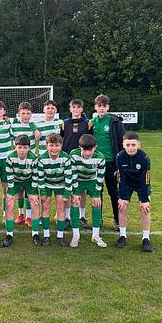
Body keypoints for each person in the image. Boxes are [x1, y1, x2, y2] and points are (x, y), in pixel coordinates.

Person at [88, 94, 125, 232]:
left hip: (111, 163)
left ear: (108, 107)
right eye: (99, 106)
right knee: (97, 192)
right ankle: (98, 219)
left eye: (104, 106)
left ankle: (117, 220)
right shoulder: (91, 122)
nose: (101, 108)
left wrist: (120, 164)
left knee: (113, 192)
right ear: (95, 107)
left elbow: (122, 144)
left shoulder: (115, 122)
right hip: (95, 163)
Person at [115, 131, 153, 252]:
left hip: (141, 184)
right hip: (127, 183)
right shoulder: (120, 157)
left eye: (133, 145)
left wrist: (144, 200)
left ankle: (146, 238)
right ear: (123, 144)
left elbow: (145, 179)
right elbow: (121, 177)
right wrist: (122, 197)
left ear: (139, 145)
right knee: (122, 206)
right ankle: (122, 236)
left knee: (145, 208)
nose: (130, 148)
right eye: (128, 145)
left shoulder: (144, 158)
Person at [70, 134, 107, 248]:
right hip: (78, 180)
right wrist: (76, 192)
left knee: (96, 203)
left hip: (92, 180)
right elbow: (73, 174)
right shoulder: (74, 154)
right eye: (84, 150)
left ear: (95, 147)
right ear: (79, 147)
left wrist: (96, 194)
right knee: (75, 202)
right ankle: (75, 235)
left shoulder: (100, 157)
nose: (87, 153)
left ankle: (95, 235)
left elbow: (100, 177)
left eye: (90, 150)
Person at [36, 133, 73, 247]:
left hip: (61, 185)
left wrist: (67, 193)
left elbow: (69, 177)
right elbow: (40, 178)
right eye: (51, 145)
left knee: (61, 208)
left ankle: (60, 236)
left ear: (61, 146)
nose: (54, 148)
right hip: (47, 185)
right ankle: (46, 235)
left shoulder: (65, 157)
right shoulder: (41, 159)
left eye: (57, 145)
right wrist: (42, 193)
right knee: (45, 208)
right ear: (46, 146)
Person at [61, 98, 90, 231]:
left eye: (78, 107)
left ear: (82, 109)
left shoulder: (88, 123)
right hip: (68, 159)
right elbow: (61, 139)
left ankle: (81, 216)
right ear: (70, 109)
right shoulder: (64, 123)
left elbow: (91, 141)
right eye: (74, 107)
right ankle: (67, 217)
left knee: (82, 189)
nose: (76, 109)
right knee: (67, 188)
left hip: (82, 160)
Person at [9, 101, 41, 227]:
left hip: (29, 161)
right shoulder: (13, 124)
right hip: (17, 161)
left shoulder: (33, 126)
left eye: (28, 113)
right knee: (19, 191)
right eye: (23, 113)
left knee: (29, 190)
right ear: (18, 113)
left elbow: (37, 135)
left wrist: (34, 129)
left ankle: (28, 216)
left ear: (31, 114)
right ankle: (21, 214)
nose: (26, 116)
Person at [5, 135, 40, 246]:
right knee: (9, 204)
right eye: (19, 147)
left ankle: (35, 234)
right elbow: (9, 176)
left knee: (35, 203)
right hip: (15, 181)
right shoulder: (10, 157)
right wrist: (12, 193)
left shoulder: (34, 158)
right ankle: (9, 234)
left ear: (29, 148)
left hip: (29, 181)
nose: (22, 150)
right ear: (15, 147)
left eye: (25, 147)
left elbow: (35, 176)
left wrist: (33, 193)